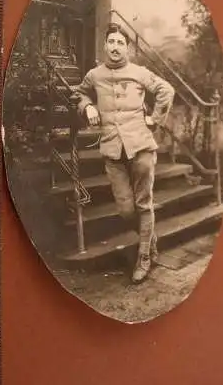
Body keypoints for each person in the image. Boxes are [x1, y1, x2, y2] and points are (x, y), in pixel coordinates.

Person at [75, 23, 175, 283]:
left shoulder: (139, 72)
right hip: (112, 148)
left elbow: (166, 90)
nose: (116, 47)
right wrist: (87, 107)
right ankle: (149, 238)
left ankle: (144, 256)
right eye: (112, 42)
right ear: (105, 45)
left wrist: (155, 119)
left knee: (144, 203)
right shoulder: (94, 75)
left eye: (121, 43)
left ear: (127, 47)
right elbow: (81, 93)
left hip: (141, 146)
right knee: (125, 209)